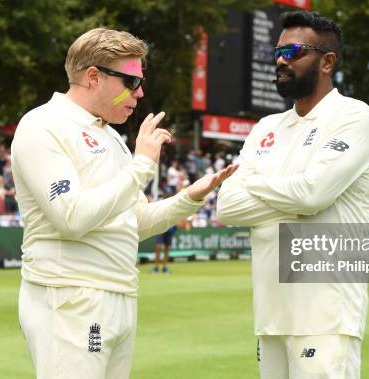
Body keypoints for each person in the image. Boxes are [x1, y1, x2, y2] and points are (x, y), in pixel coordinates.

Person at [12, 27, 236, 379]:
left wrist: (189, 198)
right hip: (70, 296)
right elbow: (70, 217)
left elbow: (134, 221)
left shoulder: (112, 136)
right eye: (131, 82)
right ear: (93, 77)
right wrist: (142, 165)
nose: (140, 92)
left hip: (120, 294)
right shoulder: (42, 125)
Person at [217, 11, 369, 379]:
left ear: (327, 61)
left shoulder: (354, 116)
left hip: (325, 313)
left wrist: (254, 183)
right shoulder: (266, 127)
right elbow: (226, 205)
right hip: (271, 313)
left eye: (292, 51)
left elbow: (311, 195)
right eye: (277, 51)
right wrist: (290, 191)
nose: (280, 60)